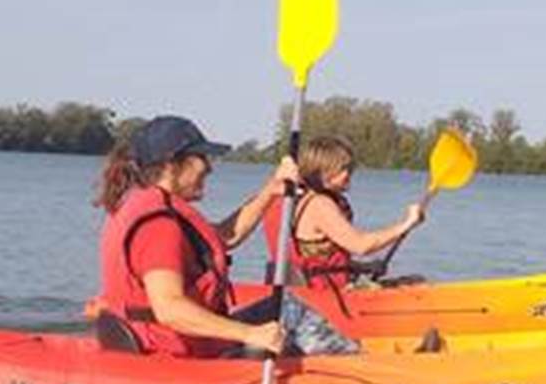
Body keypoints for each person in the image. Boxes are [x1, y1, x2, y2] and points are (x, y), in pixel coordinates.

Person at [95, 115, 357, 358]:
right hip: (174, 350)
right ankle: (352, 370)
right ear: (171, 165)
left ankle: (336, 364)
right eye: (201, 157)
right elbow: (169, 309)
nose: (209, 167)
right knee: (292, 312)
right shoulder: (159, 226)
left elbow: (227, 236)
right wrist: (250, 334)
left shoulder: (148, 206)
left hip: (170, 340)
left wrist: (271, 190)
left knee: (283, 306)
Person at [263, 135, 425, 288]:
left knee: (415, 280)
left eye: (349, 168)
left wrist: (363, 267)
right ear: (319, 171)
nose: (347, 174)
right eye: (340, 169)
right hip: (322, 294)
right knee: (418, 284)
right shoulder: (319, 204)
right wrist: (406, 224)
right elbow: (361, 245)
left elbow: (320, 260)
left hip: (317, 287)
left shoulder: (303, 198)